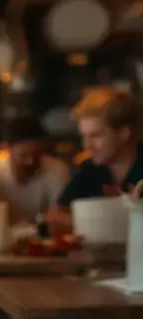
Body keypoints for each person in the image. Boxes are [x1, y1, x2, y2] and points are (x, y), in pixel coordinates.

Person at [48, 87, 143, 234]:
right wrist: (103, 222)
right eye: (84, 136)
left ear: (124, 134)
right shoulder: (91, 169)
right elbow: (55, 216)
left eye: (96, 136)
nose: (87, 145)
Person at [0, 115, 69, 223]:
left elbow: (59, 214)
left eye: (36, 155)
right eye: (23, 155)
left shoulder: (57, 170)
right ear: (7, 148)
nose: (30, 161)